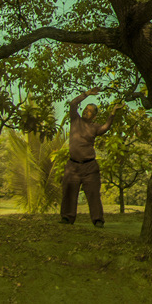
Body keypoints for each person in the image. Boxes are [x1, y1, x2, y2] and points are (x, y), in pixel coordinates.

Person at [59, 87, 120, 227]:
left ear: (94, 116)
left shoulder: (95, 127)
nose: (86, 111)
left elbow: (106, 127)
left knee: (93, 194)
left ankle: (98, 220)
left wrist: (112, 114)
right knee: (69, 192)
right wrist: (86, 94)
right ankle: (67, 218)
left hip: (89, 167)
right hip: (72, 165)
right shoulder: (75, 120)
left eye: (90, 111)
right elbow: (73, 104)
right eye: (86, 109)